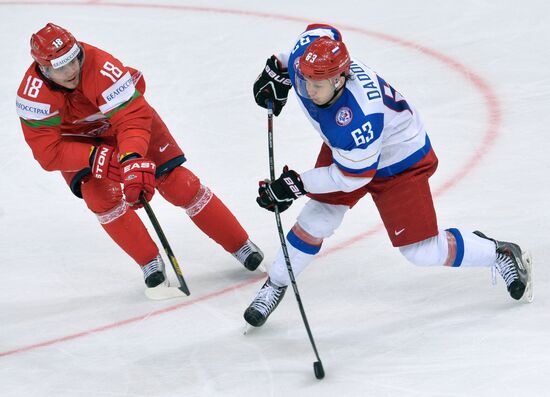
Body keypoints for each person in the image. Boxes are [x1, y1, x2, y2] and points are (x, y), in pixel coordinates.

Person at [243, 23, 533, 327]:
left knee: (421, 251)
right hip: (349, 153)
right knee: (319, 217)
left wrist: (296, 184)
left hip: (398, 160)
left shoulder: (357, 122)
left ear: (341, 80)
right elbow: (323, 31)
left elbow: (350, 178)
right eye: (304, 80)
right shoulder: (311, 62)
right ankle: (276, 283)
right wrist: (279, 66)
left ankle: (499, 252)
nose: (308, 90)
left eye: (317, 85)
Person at [16, 23, 264, 291]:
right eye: (61, 67)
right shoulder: (32, 97)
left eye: (73, 59)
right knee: (99, 196)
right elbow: (48, 153)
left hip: (125, 127)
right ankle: (149, 261)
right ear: (43, 68)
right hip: (81, 143)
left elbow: (131, 118)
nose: (72, 70)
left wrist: (132, 157)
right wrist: (95, 156)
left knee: (179, 183)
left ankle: (240, 243)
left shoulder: (101, 66)